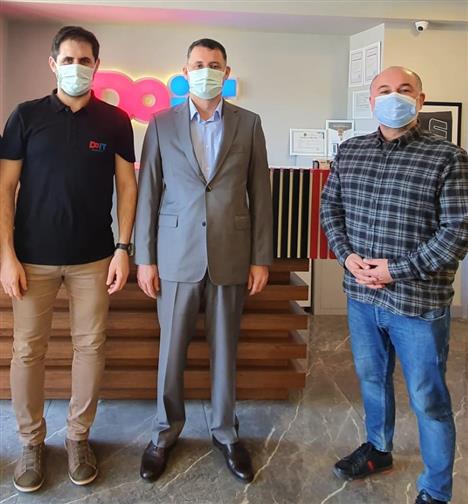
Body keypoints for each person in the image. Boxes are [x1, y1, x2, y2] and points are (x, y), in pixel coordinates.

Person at [321, 66, 468, 504]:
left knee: (428, 398)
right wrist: (346, 256)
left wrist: (395, 270)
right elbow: (331, 210)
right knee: (371, 379)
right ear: (371, 102)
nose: (394, 96)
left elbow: (457, 232)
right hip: (362, 297)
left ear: (420, 99)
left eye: (404, 89)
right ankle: (378, 450)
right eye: (384, 90)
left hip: (418, 303)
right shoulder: (350, 151)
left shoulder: (449, 158)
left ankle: (436, 491)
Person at [0, 26, 137, 492]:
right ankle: (31, 442)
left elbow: (127, 187)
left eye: (85, 60)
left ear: (97, 65)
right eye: (68, 59)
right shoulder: (26, 116)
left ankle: (79, 437)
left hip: (93, 258)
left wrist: (123, 248)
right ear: (53, 64)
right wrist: (6, 255)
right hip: (31, 258)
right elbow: (5, 188)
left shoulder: (115, 121)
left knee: (90, 347)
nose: (77, 67)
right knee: (27, 350)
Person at [134, 38, 273, 484]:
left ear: (226, 72)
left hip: (232, 254)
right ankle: (164, 432)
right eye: (198, 64)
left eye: (214, 65)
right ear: (185, 71)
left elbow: (261, 193)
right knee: (171, 351)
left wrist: (261, 258)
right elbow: (148, 192)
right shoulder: (161, 123)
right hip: (175, 255)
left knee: (225, 349)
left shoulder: (249, 123)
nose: (206, 71)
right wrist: (145, 258)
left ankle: (225, 432)